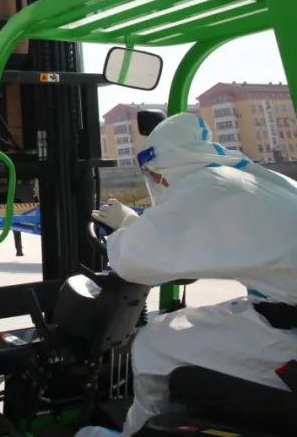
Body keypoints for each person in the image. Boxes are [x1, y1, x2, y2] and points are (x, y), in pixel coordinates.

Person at [75, 113, 297, 437]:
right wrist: (133, 225)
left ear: (162, 169)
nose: (156, 182)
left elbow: (130, 262)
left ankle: (133, 433)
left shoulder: (206, 187)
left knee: (153, 341)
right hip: (280, 308)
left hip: (288, 337)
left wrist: (124, 229)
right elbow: (200, 236)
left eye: (153, 175)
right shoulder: (254, 180)